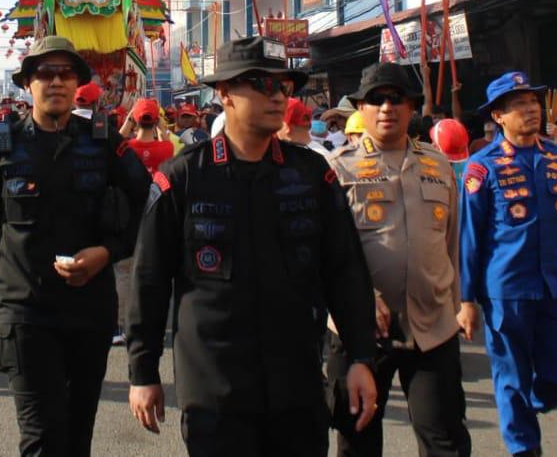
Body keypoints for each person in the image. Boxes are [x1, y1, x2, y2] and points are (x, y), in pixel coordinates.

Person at [127, 36, 378, 456]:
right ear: (224, 93)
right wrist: (142, 371)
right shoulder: (183, 176)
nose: (278, 96)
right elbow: (149, 280)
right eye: (261, 84)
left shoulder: (311, 173)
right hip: (215, 393)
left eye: (284, 86)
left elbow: (345, 269)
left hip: (296, 387)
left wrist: (360, 357)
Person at [0, 36, 150, 455]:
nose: (56, 82)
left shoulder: (105, 142)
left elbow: (148, 206)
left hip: (90, 313)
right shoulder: (0, 145)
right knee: (41, 439)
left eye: (65, 73)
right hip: (26, 314)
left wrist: (107, 252)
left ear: (77, 84)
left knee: (77, 437)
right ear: (27, 83)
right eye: (45, 73)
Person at [326, 63, 471, 457]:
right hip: (358, 329)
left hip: (432, 326)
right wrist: (361, 295)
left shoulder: (438, 165)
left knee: (445, 440)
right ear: (362, 108)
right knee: (357, 441)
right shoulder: (337, 168)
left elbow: (453, 242)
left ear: (412, 107)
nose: (387, 108)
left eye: (397, 99)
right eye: (377, 100)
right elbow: (327, 253)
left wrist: (462, 303)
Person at [459, 71, 557, 457]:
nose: (531, 110)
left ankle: (528, 404)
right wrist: (466, 300)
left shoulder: (556, 158)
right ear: (498, 117)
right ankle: (524, 447)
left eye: (533, 102)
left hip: (554, 286)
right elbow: (470, 237)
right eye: (519, 105)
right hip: (505, 290)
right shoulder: (481, 166)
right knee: (511, 376)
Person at [120, 98, 177, 173]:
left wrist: (129, 119)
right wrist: (161, 127)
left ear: (134, 119)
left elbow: (117, 139)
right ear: (157, 121)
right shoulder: (167, 148)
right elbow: (163, 138)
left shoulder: (125, 147)